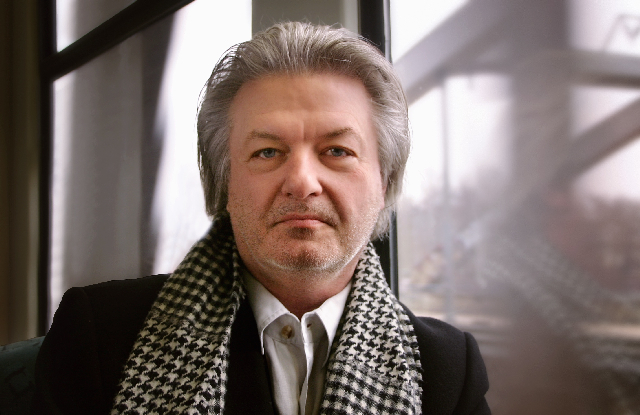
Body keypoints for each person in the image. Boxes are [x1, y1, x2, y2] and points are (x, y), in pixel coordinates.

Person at [32, 22, 490, 415]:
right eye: (268, 151)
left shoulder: (447, 369)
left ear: (384, 181)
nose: (302, 181)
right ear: (224, 182)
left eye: (337, 151)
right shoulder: (99, 336)